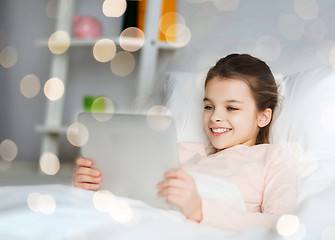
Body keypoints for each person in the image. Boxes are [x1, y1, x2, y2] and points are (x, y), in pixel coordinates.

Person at [73, 54, 298, 231]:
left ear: (263, 116)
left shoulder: (271, 158)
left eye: (231, 108)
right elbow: (138, 192)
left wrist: (199, 209)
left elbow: (280, 225)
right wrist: (94, 185)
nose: (215, 117)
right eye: (209, 106)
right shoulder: (178, 151)